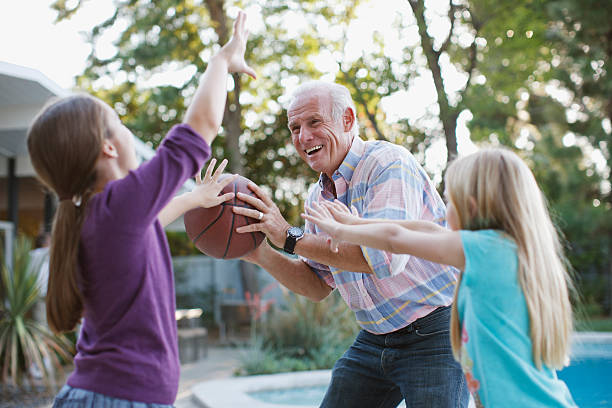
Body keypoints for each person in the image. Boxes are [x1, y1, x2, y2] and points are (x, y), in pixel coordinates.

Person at [26, 11, 255, 407]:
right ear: (109, 147)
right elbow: (199, 127)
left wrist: (192, 200)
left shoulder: (92, 217)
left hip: (96, 393)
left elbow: (148, 226)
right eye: (119, 122)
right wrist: (221, 61)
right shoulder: (118, 204)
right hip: (122, 398)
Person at [233, 81, 469, 407]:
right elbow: (316, 285)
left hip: (435, 334)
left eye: (314, 122)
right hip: (375, 338)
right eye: (295, 128)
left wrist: (288, 236)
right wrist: (260, 253)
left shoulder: (387, 164)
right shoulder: (318, 196)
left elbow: (383, 259)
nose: (303, 137)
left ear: (347, 120)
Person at [303, 148, 577, 407]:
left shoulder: (486, 251)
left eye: (449, 201)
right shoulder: (497, 251)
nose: (445, 211)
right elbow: (425, 228)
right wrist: (356, 223)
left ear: (470, 207)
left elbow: (396, 239)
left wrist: (341, 231)